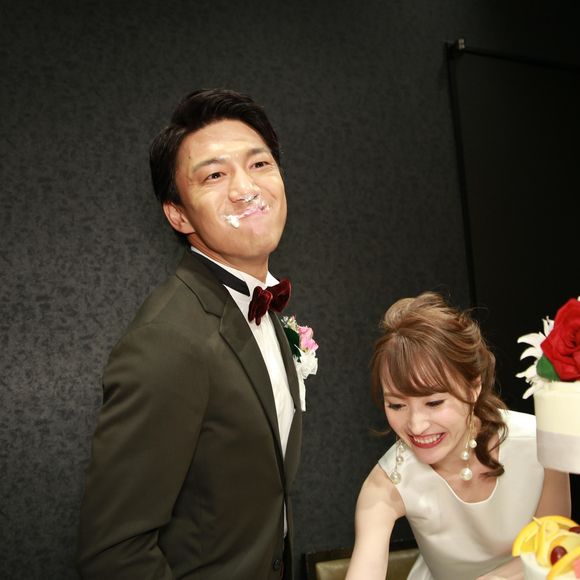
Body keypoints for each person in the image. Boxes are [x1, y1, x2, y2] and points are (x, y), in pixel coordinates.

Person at [77, 89, 303, 580]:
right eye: (215, 175)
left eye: (259, 164)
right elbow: (114, 552)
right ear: (178, 214)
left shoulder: (262, 307)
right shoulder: (166, 339)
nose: (246, 188)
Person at [346, 292, 570, 580]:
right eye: (397, 405)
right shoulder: (385, 484)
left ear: (473, 387)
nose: (416, 426)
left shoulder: (540, 444)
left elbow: (554, 550)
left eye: (434, 402)